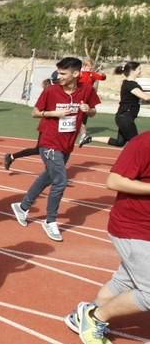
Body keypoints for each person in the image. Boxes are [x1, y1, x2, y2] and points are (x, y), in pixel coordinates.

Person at [64, 131, 150, 344]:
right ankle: (95, 317)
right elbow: (113, 181)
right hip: (134, 227)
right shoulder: (144, 143)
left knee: (126, 282)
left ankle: (82, 317)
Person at [10, 57, 100, 242]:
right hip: (49, 141)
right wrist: (54, 113)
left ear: (76, 74)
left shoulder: (86, 90)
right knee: (60, 181)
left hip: (67, 142)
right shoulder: (51, 91)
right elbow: (35, 112)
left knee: (48, 177)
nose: (59, 76)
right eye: (58, 73)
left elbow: (93, 111)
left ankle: (22, 207)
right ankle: (50, 221)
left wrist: (88, 110)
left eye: (63, 73)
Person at [86, 61, 149, 148]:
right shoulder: (130, 85)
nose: (140, 71)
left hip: (124, 117)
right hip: (125, 117)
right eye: (139, 69)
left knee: (120, 142)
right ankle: (131, 160)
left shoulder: (129, 83)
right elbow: (146, 97)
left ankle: (89, 138)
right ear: (132, 71)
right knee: (137, 143)